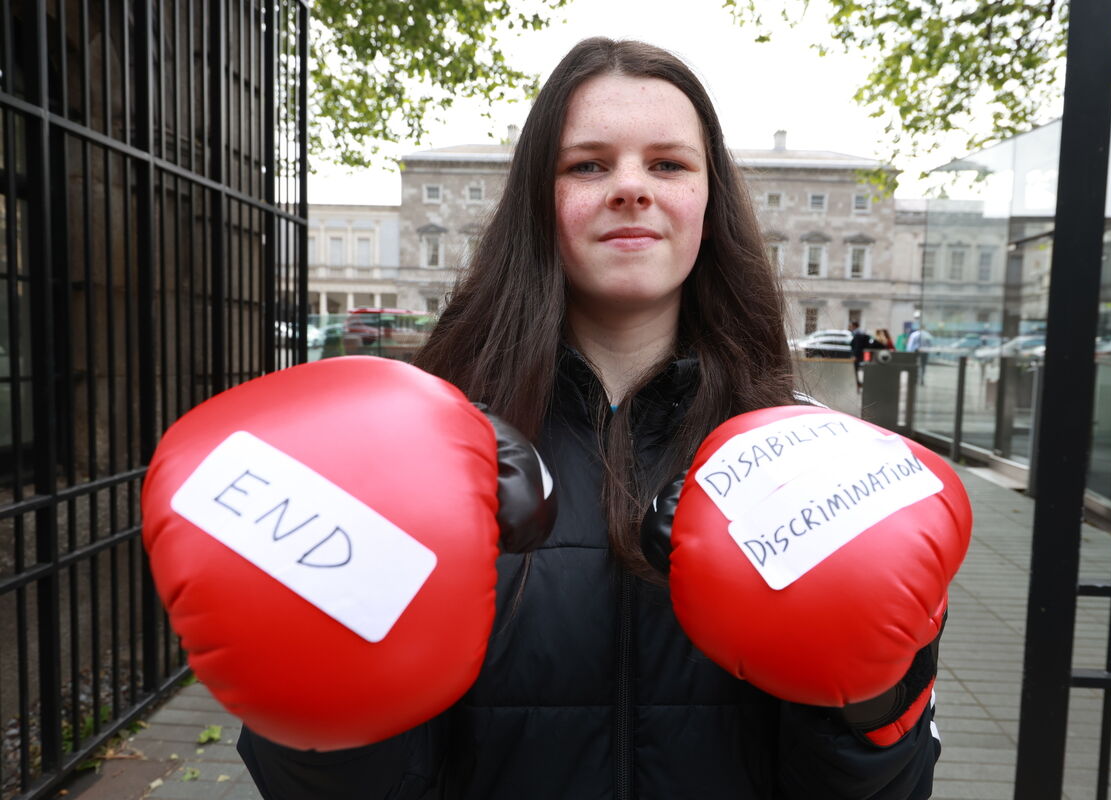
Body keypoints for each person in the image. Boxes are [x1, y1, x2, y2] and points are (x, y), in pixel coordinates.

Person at [237, 37, 940, 799]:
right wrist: (317, 680)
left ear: (710, 199)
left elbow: (883, 791)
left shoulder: (808, 457)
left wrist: (876, 697)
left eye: (667, 164)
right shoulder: (420, 445)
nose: (631, 188)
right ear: (541, 199)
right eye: (588, 164)